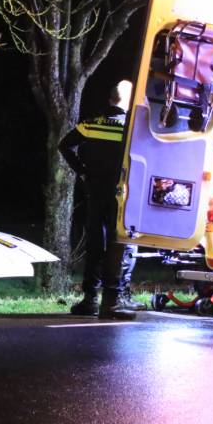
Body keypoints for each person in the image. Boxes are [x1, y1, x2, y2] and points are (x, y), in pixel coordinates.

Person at [59, 80, 146, 319]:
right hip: (123, 195)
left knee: (96, 244)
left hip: (95, 192)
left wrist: (83, 171)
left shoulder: (91, 124)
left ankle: (90, 299)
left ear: (110, 100)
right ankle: (117, 297)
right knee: (124, 243)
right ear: (129, 104)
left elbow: (64, 145)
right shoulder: (131, 130)